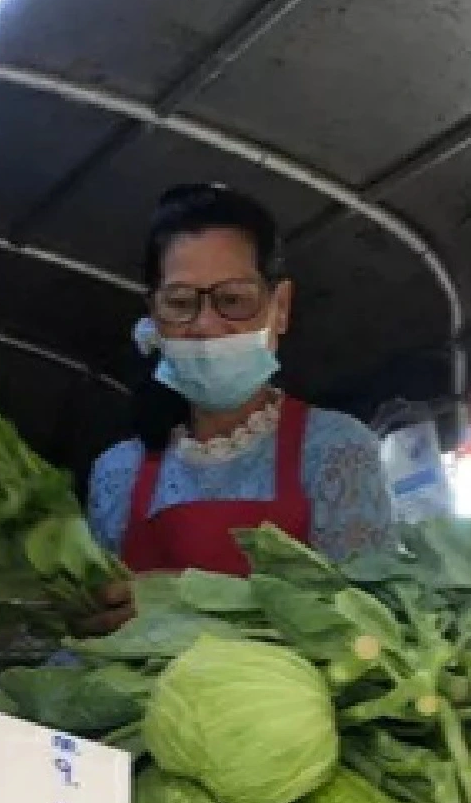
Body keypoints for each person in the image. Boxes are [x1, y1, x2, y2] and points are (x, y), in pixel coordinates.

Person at [80, 183, 397, 632]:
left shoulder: (336, 450)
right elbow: (94, 625)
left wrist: (196, 605)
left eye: (232, 300)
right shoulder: (117, 473)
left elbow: (371, 624)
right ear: (153, 315)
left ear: (280, 307)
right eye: (180, 304)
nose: (206, 325)